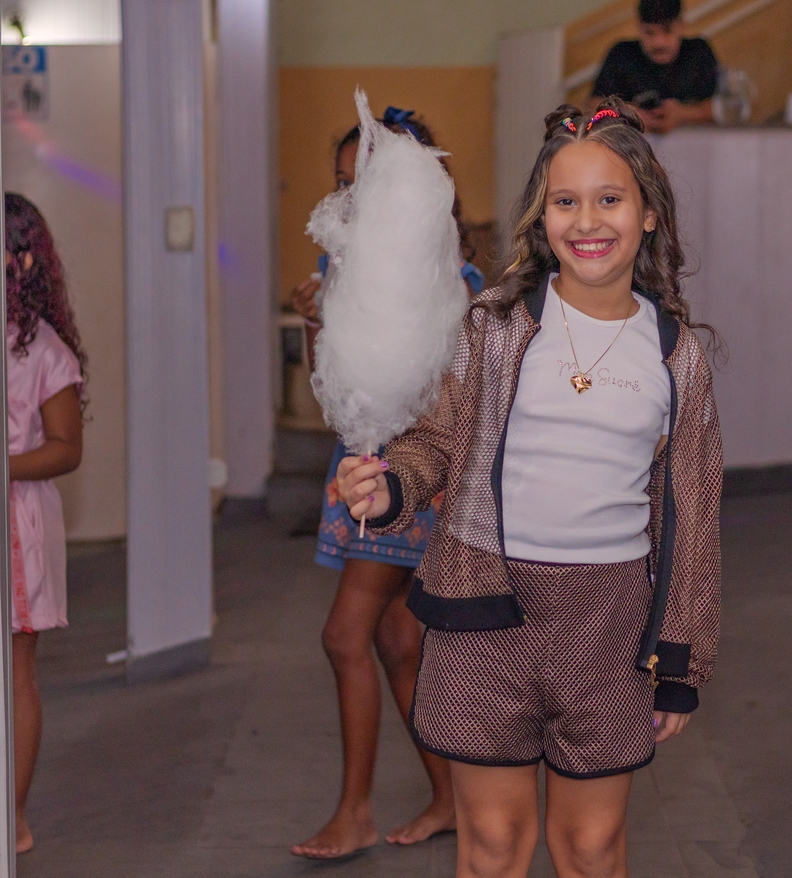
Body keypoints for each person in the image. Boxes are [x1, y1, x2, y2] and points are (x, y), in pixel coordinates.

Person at [338, 97, 722, 878]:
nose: (588, 221)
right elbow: (434, 440)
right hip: (485, 608)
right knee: (492, 846)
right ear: (542, 218)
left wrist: (681, 662)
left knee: (591, 848)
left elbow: (694, 516)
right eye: (565, 201)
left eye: (610, 199)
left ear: (649, 213)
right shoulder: (492, 326)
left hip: (608, 622)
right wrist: (391, 489)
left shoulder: (675, 356)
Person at [290, 108, 481, 860]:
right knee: (398, 639)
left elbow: (450, 401)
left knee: (344, 635)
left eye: (360, 183)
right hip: (362, 466)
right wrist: (317, 322)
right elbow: (335, 391)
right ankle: (451, 797)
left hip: (409, 480)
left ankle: (355, 811)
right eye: (340, 184)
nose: (347, 200)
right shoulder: (352, 271)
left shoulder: (452, 281)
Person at [4, 193, 86, 855]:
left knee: (14, 670)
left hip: (16, 523)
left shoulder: (43, 349)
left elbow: (66, 448)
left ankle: (14, 816)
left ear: (22, 259)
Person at [589, 0, 719, 134]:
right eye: (649, 33)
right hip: (634, 143)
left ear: (681, 26)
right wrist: (627, 114)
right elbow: (594, 106)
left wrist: (683, 114)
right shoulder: (622, 53)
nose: (659, 42)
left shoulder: (698, 52)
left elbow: (723, 107)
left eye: (667, 31)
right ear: (639, 28)